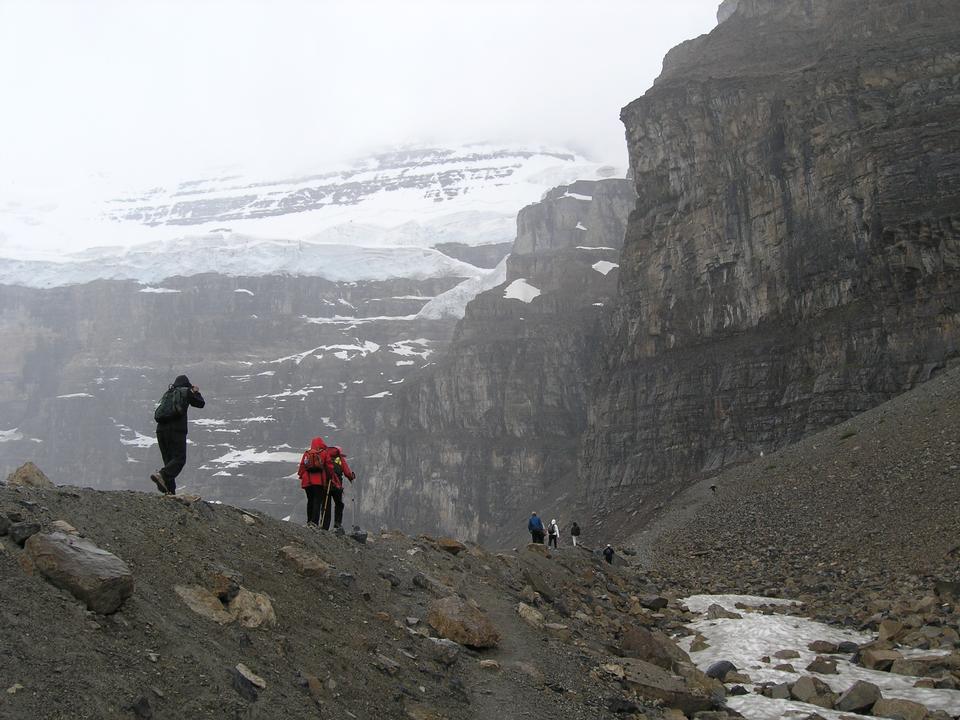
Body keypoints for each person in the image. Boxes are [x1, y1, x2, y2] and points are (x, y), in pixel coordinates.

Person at [151, 375, 205, 495]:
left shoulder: (168, 394)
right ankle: (162, 475)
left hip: (160, 430)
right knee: (179, 459)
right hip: (176, 430)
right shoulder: (186, 391)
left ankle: (170, 491)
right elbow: (200, 403)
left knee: (169, 461)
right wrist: (195, 392)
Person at [317, 439, 356, 532]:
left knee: (326, 505)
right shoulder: (340, 459)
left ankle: (324, 526)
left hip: (326, 484)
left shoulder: (325, 455)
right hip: (337, 486)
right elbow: (347, 472)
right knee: (339, 504)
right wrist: (351, 477)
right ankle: (337, 524)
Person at [298, 437, 328, 526]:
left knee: (310, 500)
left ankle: (309, 521)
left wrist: (301, 476)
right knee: (317, 501)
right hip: (319, 482)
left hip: (307, 482)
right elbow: (329, 467)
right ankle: (315, 522)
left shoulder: (307, 454)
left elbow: (302, 466)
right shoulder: (323, 453)